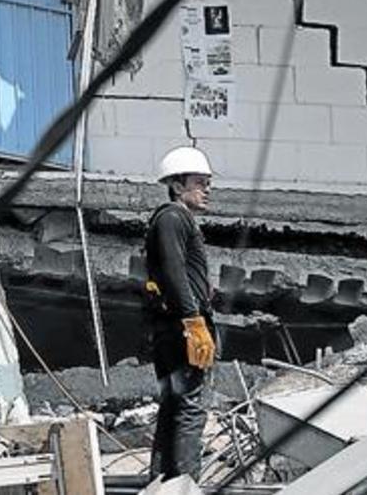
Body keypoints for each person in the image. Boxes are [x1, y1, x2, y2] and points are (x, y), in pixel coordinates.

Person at [144, 146, 217, 482]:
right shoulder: (173, 217)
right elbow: (174, 272)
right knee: (190, 408)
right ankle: (186, 484)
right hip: (181, 329)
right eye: (199, 182)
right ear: (176, 185)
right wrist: (193, 321)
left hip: (174, 327)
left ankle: (162, 483)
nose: (207, 189)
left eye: (207, 183)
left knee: (174, 406)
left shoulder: (172, 219)